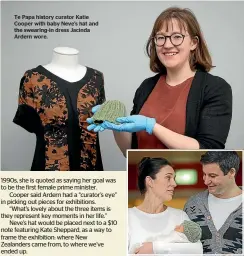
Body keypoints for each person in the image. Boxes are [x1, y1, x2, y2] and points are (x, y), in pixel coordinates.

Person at [87, 7, 232, 155]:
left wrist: (152, 126)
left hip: (181, 176)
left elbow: (209, 150)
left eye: (177, 36)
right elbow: (129, 152)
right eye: (161, 37)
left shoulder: (215, 88)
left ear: (193, 43)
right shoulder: (146, 87)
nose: (167, 45)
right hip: (143, 175)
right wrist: (116, 124)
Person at [128, 157, 203, 254]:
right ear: (150, 181)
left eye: (174, 179)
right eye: (168, 178)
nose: (174, 184)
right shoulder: (127, 217)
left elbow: (197, 250)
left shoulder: (180, 216)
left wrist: (154, 248)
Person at [184, 151, 242, 254]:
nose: (206, 181)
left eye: (212, 176)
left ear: (231, 172)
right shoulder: (193, 204)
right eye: (204, 174)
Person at [130, 220, 202, 254]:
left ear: (184, 235)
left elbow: (162, 241)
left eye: (179, 227)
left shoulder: (176, 236)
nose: (176, 226)